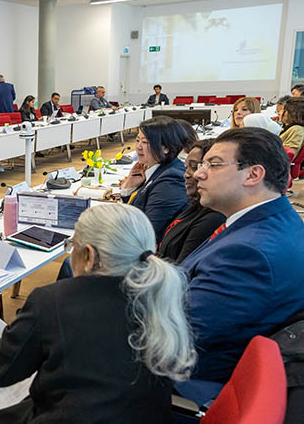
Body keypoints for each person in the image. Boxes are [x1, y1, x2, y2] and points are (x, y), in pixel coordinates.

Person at [0, 203, 195, 424]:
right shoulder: (164, 299)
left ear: (89, 256)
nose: (72, 253)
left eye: (73, 246)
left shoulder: (53, 301)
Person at [175, 127, 304, 405]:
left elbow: (175, 332)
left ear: (253, 175)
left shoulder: (248, 253)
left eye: (214, 164)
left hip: (188, 381)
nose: (199, 173)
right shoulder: (271, 219)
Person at [120, 116, 190, 241]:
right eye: (137, 140)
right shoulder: (157, 169)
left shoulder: (171, 180)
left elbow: (148, 230)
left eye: (145, 142)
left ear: (166, 147)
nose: (138, 147)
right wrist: (130, 186)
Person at [157, 140, 225, 264]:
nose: (186, 174)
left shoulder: (212, 219)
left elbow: (182, 270)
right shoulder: (197, 206)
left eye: (194, 167)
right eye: (186, 167)